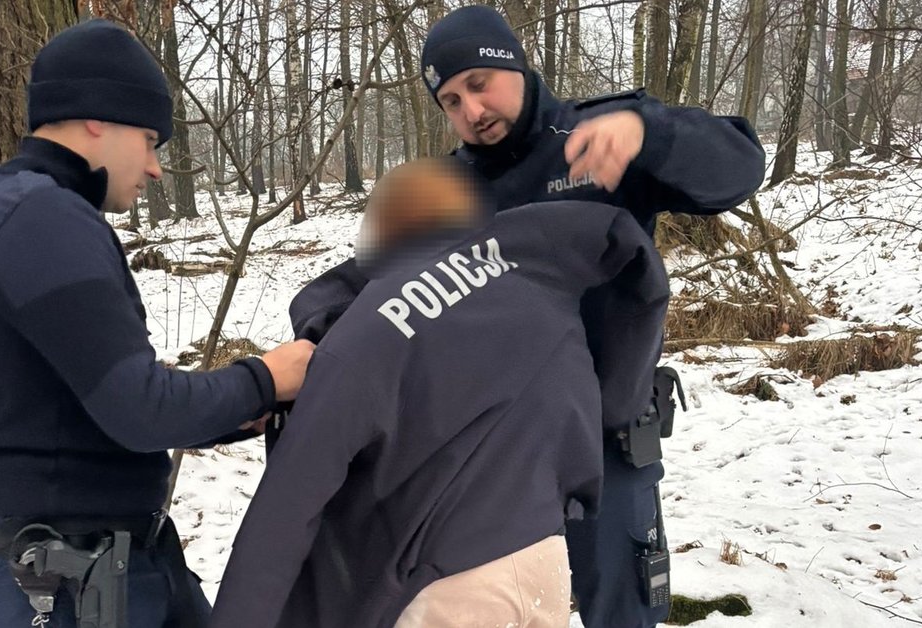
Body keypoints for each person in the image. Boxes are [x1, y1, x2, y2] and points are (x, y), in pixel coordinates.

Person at [275, 6, 766, 627]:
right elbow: (373, 287)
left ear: (515, 62)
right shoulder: (445, 190)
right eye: (451, 101)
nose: (471, 112)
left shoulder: (601, 134)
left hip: (609, 443)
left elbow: (741, 170)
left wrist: (649, 130)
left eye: (479, 84)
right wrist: (317, 334)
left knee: (622, 611)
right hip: (494, 460)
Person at [0, 19, 314, 628]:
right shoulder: (41, 216)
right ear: (98, 116)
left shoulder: (27, 211)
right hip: (74, 585)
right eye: (149, 139)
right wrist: (265, 377)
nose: (153, 167)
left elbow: (93, 406)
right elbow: (139, 410)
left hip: (114, 567)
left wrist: (235, 412)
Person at [210, 158, 670, 628]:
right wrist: (619, 405)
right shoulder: (543, 276)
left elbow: (286, 508)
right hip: (542, 559)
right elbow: (628, 323)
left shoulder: (365, 336)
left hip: (441, 583)